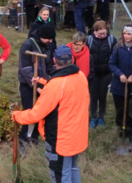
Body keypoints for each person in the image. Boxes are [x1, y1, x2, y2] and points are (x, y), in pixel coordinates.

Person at [12, 45, 89, 183]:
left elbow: (36, 114)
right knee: (72, 168)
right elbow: (65, 93)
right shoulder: (81, 76)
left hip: (61, 140)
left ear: (54, 60)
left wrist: (16, 115)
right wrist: (43, 82)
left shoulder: (56, 86)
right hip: (78, 135)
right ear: (71, 59)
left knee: (60, 174)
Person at [18, 22, 55, 148]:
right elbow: (25, 68)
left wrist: (49, 81)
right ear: (41, 36)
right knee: (29, 111)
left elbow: (49, 65)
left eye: (51, 39)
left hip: (42, 85)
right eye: (48, 38)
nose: (50, 41)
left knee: (40, 112)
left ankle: (34, 137)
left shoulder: (48, 46)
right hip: (28, 85)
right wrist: (36, 85)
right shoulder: (28, 45)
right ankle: (24, 138)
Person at [87, 20, 117, 128]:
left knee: (102, 96)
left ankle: (101, 117)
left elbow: (115, 55)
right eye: (100, 34)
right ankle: (93, 117)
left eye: (104, 33)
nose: (103, 35)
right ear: (95, 31)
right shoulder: (89, 40)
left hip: (106, 73)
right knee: (94, 96)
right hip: (93, 73)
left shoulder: (111, 40)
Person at [109, 24, 132, 143]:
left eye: (129, 34)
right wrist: (120, 74)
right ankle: (121, 129)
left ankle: (130, 130)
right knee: (120, 109)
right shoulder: (118, 47)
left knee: (130, 110)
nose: (126, 36)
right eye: (125, 33)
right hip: (119, 85)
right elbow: (112, 63)